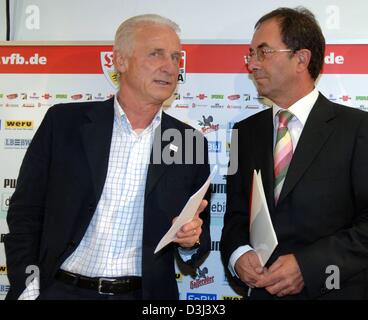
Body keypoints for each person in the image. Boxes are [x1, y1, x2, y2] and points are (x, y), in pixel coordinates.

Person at [4, 14, 210, 300]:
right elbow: (25, 213)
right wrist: (29, 288)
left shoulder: (188, 141)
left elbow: (198, 237)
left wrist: (190, 241)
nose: (170, 67)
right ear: (120, 61)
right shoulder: (65, 124)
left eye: (176, 57)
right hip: (61, 291)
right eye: (156, 54)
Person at [220, 7, 368, 300]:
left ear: (301, 59)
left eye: (263, 52)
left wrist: (309, 266)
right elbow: (235, 214)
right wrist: (238, 255)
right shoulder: (245, 133)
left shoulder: (358, 128)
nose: (252, 64)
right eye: (251, 54)